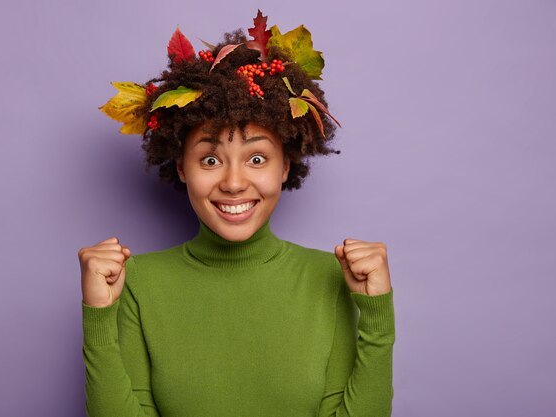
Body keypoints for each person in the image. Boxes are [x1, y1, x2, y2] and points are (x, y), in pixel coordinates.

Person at [78, 10, 395, 417]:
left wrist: (378, 320)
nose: (232, 182)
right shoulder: (136, 282)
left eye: (257, 158)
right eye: (209, 160)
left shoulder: (331, 279)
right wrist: (98, 319)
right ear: (181, 167)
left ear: (285, 167)